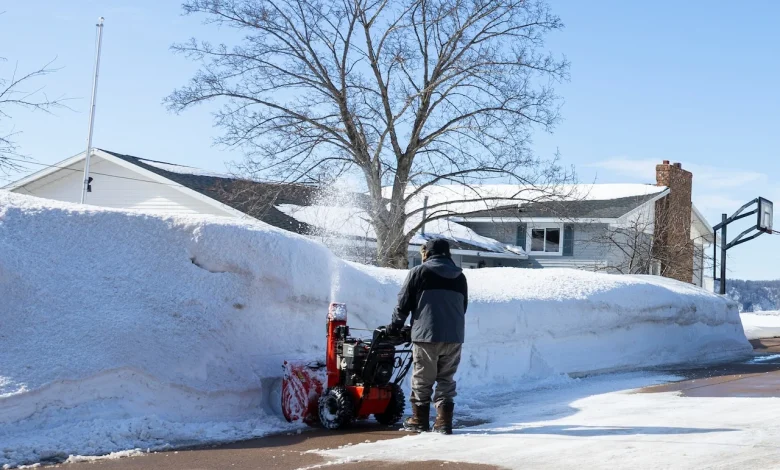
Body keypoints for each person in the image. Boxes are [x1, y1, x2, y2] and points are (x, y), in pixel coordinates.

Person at [387, 238, 467, 435]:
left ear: (428, 253)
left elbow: (403, 304)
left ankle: (419, 420)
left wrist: (395, 327)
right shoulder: (460, 277)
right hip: (454, 336)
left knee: (423, 378)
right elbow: (463, 306)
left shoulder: (419, 272)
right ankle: (443, 422)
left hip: (427, 336)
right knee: (446, 379)